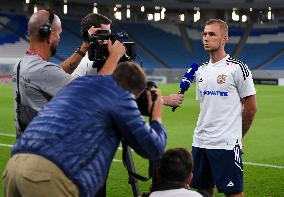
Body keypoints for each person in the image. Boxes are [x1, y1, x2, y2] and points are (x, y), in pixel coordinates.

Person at [3, 62, 167, 197]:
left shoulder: (80, 83)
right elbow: (153, 147)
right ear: (135, 92)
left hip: (14, 166)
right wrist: (156, 116)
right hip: (50, 175)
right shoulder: (121, 95)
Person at [13, 9, 125, 137]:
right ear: (48, 35)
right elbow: (93, 91)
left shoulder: (22, 64)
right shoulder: (43, 71)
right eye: (58, 34)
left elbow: (55, 73)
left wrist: (84, 46)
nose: (59, 38)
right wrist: (115, 56)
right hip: (43, 150)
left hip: (25, 144)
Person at [190, 19, 257, 197]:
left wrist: (237, 138)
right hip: (200, 142)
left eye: (212, 34)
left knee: (233, 193)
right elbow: (205, 107)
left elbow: (250, 109)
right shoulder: (201, 71)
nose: (206, 38)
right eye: (204, 34)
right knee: (202, 191)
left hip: (226, 144)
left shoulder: (238, 68)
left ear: (224, 39)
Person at [74, 13, 185, 108]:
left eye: (110, 34)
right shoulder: (84, 62)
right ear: (91, 35)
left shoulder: (107, 58)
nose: (109, 39)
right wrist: (164, 100)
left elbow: (126, 93)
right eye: (104, 34)